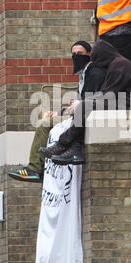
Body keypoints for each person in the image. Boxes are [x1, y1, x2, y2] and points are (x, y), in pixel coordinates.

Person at [8, 41, 106, 182]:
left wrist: (64, 113)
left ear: (89, 54)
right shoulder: (84, 75)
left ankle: (35, 169)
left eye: (80, 54)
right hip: (80, 113)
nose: (76, 57)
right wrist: (60, 112)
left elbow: (87, 103)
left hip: (85, 117)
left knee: (44, 124)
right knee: (45, 116)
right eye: (73, 54)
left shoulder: (94, 73)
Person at [38, 40, 131, 166]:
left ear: (102, 55)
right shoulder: (116, 64)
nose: (96, 64)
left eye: (97, 59)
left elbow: (107, 94)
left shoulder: (119, 65)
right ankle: (75, 150)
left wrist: (82, 103)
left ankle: (62, 144)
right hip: (123, 101)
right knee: (85, 106)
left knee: (85, 106)